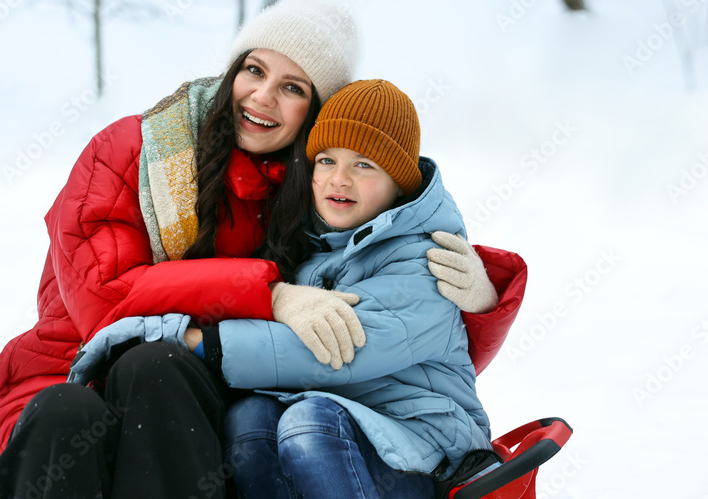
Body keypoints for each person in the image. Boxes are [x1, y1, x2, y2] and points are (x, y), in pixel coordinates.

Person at [0, 0, 517, 498]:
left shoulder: (310, 193)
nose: (263, 96)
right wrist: (270, 294)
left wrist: (479, 303)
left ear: (313, 115)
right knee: (68, 410)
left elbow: (396, 334)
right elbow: (102, 301)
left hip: (192, 393)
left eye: (293, 87)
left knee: (161, 371)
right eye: (254, 70)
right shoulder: (132, 150)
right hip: (70, 371)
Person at [70, 79, 510, 498]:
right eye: (327, 161)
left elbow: (337, 353)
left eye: (363, 165)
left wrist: (193, 341)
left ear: (399, 184)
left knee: (309, 424)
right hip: (349, 429)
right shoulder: (310, 247)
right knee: (251, 417)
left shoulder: (427, 258)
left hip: (427, 451)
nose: (339, 179)